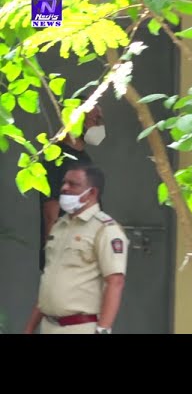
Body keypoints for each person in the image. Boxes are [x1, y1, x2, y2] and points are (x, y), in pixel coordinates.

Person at [24, 163, 128, 334]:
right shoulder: (60, 226)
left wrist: (102, 330)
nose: (65, 188)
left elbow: (115, 282)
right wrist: (29, 329)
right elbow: (50, 280)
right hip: (48, 325)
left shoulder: (105, 229)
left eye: (73, 184)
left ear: (92, 192)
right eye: (64, 183)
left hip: (80, 327)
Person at [39, 102, 106, 272]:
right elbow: (50, 213)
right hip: (65, 257)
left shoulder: (84, 158)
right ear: (78, 119)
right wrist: (53, 261)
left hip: (83, 253)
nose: (99, 125)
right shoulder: (56, 158)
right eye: (95, 119)